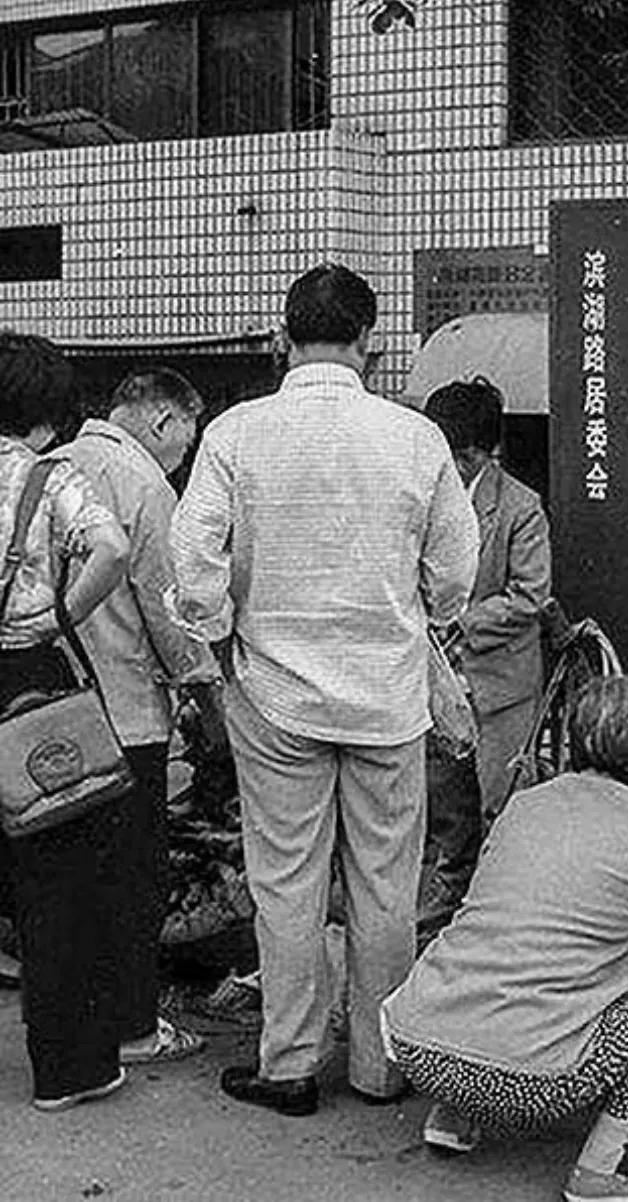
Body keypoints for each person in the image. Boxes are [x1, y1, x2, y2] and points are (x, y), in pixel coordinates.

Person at [170, 263, 479, 1115]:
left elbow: (192, 562)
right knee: (387, 882)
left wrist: (221, 632)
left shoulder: (237, 432)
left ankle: (289, 1063)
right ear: (369, 341)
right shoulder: (416, 438)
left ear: (282, 336)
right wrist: (424, 617)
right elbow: (456, 568)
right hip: (386, 693)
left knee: (286, 878)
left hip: (275, 694)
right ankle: (382, 1068)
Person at [382, 674, 628, 1202]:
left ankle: (454, 1116)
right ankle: (600, 1168)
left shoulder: (527, 804)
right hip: (529, 1082)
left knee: (502, 942)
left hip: (419, 1049)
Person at [62, 367, 223, 1066]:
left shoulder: (51, 468)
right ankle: (133, 1024)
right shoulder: (144, 485)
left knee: (69, 873)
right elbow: (168, 609)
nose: (182, 458)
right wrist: (202, 686)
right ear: (164, 423)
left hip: (53, 712)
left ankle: (73, 1016)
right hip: (127, 716)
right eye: (185, 443)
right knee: (134, 876)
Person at [0, 331, 131, 1109]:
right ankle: (70, 1070)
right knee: (58, 883)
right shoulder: (51, 479)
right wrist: (58, 616)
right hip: (29, 682)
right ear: (46, 414)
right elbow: (110, 550)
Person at [418, 376, 552, 940]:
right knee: (445, 801)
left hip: (498, 685)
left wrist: (459, 622)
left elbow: (531, 595)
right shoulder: (420, 497)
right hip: (437, 677)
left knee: (502, 801)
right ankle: (449, 895)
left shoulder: (520, 507)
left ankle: (500, 915)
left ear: (473, 454)